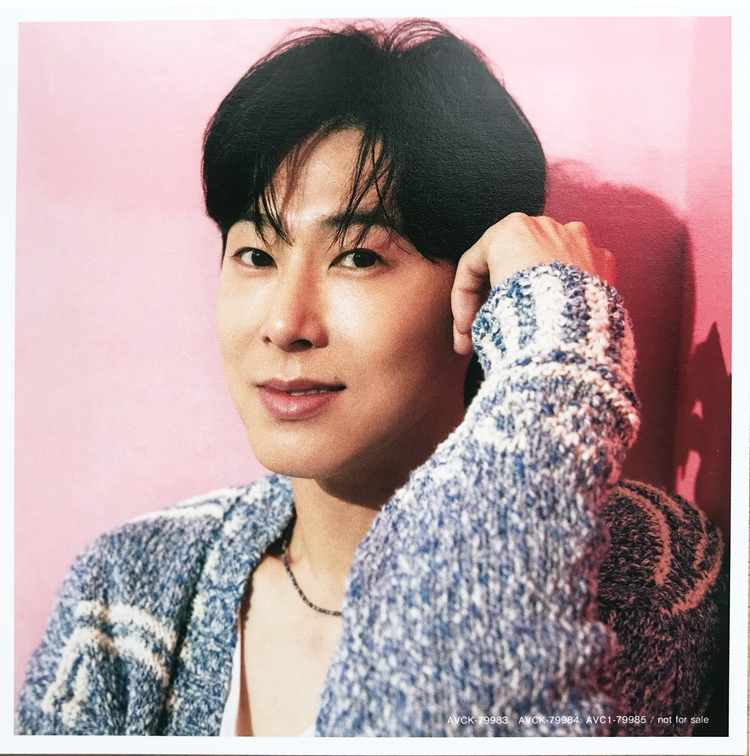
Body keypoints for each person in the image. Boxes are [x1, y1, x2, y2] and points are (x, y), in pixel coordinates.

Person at [16, 20, 727, 737]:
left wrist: (557, 365)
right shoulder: (125, 592)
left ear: (481, 291)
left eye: (358, 257)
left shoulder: (641, 572)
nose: (285, 323)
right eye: (256, 255)